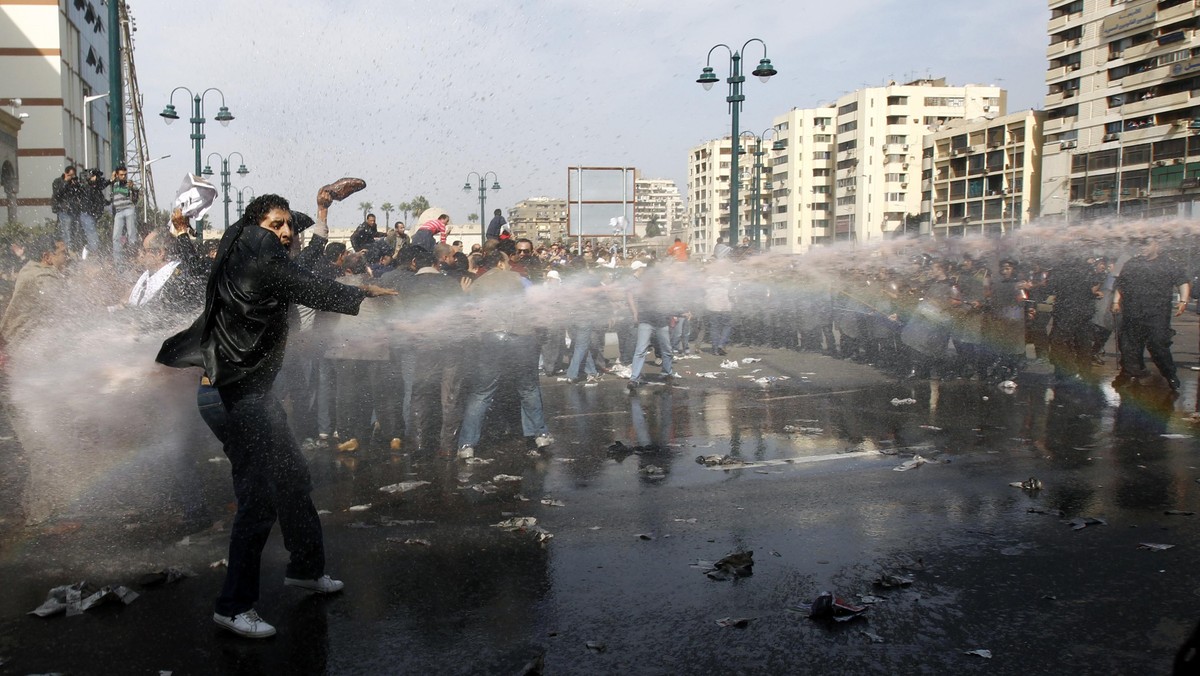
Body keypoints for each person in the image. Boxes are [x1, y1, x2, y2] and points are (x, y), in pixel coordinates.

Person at [156, 193, 395, 639]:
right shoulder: (254, 253)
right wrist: (362, 292)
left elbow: (300, 258)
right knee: (260, 494)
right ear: (254, 229)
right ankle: (233, 606)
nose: (286, 233)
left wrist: (319, 210)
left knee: (292, 476)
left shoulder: (252, 253)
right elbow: (311, 286)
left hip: (251, 395)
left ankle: (305, 567)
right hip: (232, 396)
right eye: (277, 225)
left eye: (289, 226)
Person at [456, 249, 552, 459]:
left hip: (491, 339)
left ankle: (466, 444)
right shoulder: (520, 279)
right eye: (507, 262)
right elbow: (534, 303)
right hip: (521, 336)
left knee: (481, 393)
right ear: (500, 263)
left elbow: (469, 313)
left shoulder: (478, 284)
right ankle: (541, 434)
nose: (509, 265)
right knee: (528, 388)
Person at [1111, 240, 1190, 391]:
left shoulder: (1167, 263)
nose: (1143, 248)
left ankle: (1170, 374)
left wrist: (1184, 300)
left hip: (1157, 312)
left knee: (1158, 344)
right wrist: (1115, 302)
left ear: (1156, 245)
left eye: (1147, 244)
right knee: (1129, 346)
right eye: (1140, 245)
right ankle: (1129, 373)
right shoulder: (1132, 264)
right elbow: (1121, 284)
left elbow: (1182, 282)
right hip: (1132, 311)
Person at [0, 236, 68, 346]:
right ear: (47, 257)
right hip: (19, 347)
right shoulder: (43, 277)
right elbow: (63, 309)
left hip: (15, 342)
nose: (67, 257)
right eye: (63, 253)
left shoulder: (31, 268)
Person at [50, 166, 84, 253]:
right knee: (67, 232)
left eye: (73, 175)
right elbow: (57, 194)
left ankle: (73, 251)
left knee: (75, 232)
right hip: (64, 210)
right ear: (65, 173)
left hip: (74, 210)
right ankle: (68, 251)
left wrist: (76, 185)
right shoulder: (58, 181)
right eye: (70, 175)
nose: (71, 177)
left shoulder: (74, 183)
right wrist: (66, 182)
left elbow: (80, 194)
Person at [110, 165, 140, 262]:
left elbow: (136, 196)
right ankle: (118, 261)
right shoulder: (114, 183)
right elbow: (110, 181)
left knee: (131, 234)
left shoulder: (129, 184)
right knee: (116, 237)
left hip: (128, 210)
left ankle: (132, 256)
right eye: (121, 175)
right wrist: (113, 176)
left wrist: (132, 189)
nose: (123, 177)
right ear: (117, 175)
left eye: (125, 175)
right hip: (118, 212)